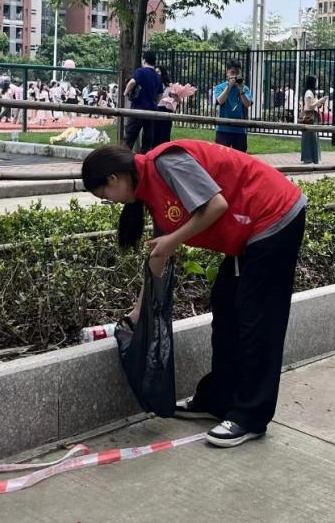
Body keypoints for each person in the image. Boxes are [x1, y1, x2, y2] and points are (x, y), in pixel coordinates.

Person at [81, 140, 306, 448]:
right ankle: (218, 399)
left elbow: (216, 206)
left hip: (274, 216)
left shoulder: (167, 163)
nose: (111, 201)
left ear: (113, 179)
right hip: (249, 230)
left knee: (258, 319)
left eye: (105, 195)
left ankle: (251, 417)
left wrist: (174, 239)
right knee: (226, 307)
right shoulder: (150, 189)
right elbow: (158, 256)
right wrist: (137, 312)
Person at [123, 51, 164, 151]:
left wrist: (125, 93)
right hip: (152, 110)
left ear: (144, 60)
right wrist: (155, 103)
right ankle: (144, 157)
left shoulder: (140, 71)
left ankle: (124, 155)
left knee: (130, 135)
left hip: (138, 109)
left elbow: (132, 82)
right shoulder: (158, 76)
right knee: (147, 138)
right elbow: (160, 94)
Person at [213, 60, 253, 152]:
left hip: (240, 129)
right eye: (232, 73)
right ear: (227, 73)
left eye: (237, 73)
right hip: (223, 129)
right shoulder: (220, 87)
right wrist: (229, 86)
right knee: (221, 156)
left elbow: (247, 104)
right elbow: (220, 101)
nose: (235, 76)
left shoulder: (245, 88)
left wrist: (241, 90)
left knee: (239, 157)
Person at [299, 75, 325, 164]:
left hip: (313, 116)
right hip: (310, 116)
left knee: (313, 137)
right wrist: (319, 101)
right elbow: (309, 106)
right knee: (310, 137)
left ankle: (313, 158)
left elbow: (315, 105)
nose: (317, 83)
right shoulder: (309, 93)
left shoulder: (312, 92)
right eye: (316, 81)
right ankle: (308, 158)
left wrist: (321, 102)